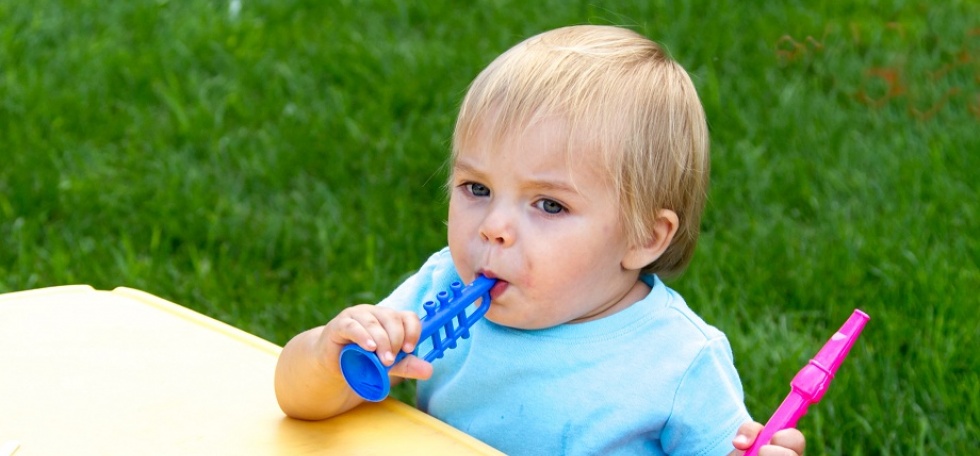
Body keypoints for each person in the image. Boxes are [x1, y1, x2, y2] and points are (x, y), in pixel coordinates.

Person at [274, 25, 806, 455]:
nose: (493, 226)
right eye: (476, 188)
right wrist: (326, 355)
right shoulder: (439, 290)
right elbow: (299, 403)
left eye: (549, 204)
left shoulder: (679, 360)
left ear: (645, 236)